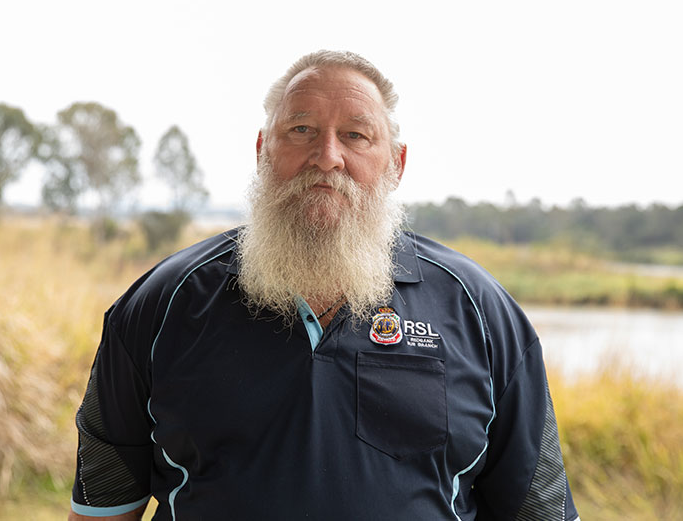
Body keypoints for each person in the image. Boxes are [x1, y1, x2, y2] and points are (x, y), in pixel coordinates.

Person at [69, 50, 580, 521]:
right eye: (302, 129)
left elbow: (540, 513)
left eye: (356, 135)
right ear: (262, 150)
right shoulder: (159, 306)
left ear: (396, 165)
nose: (327, 156)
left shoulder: (482, 314)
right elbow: (104, 511)